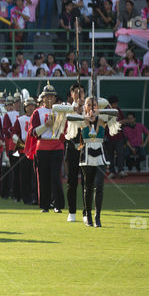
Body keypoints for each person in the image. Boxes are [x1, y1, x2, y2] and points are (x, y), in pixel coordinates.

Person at [27, 85, 66, 213]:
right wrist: (46, 125)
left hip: (57, 146)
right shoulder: (37, 112)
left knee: (56, 176)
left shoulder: (60, 111)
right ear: (43, 98)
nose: (49, 98)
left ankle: (57, 204)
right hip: (42, 147)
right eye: (47, 96)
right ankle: (44, 205)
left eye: (52, 96)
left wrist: (56, 125)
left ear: (55, 98)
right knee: (42, 177)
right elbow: (33, 132)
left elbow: (63, 132)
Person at [78, 98, 111, 227]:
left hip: (100, 155)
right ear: (85, 107)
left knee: (99, 185)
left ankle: (98, 217)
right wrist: (88, 118)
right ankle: (89, 216)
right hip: (86, 154)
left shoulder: (103, 120)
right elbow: (89, 135)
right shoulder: (82, 120)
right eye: (89, 105)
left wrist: (98, 116)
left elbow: (98, 133)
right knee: (88, 186)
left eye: (94, 105)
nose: (92, 107)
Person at [64, 83, 85, 222]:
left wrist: (83, 109)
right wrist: (74, 108)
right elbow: (66, 115)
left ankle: (86, 212)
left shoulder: (87, 108)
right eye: (76, 92)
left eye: (81, 92)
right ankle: (71, 212)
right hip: (72, 147)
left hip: (85, 147)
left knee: (86, 182)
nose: (79, 94)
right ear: (72, 94)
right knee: (72, 182)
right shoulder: (67, 107)